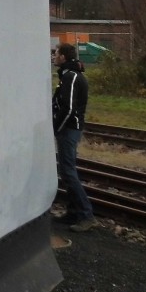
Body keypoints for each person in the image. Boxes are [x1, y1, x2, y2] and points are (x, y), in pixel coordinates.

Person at [52, 43, 95, 232]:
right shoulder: (70, 75)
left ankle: (86, 215)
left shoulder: (70, 77)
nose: (54, 56)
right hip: (70, 129)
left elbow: (68, 108)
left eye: (56, 53)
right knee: (66, 170)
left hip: (69, 129)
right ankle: (73, 212)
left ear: (63, 57)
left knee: (68, 171)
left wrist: (56, 128)